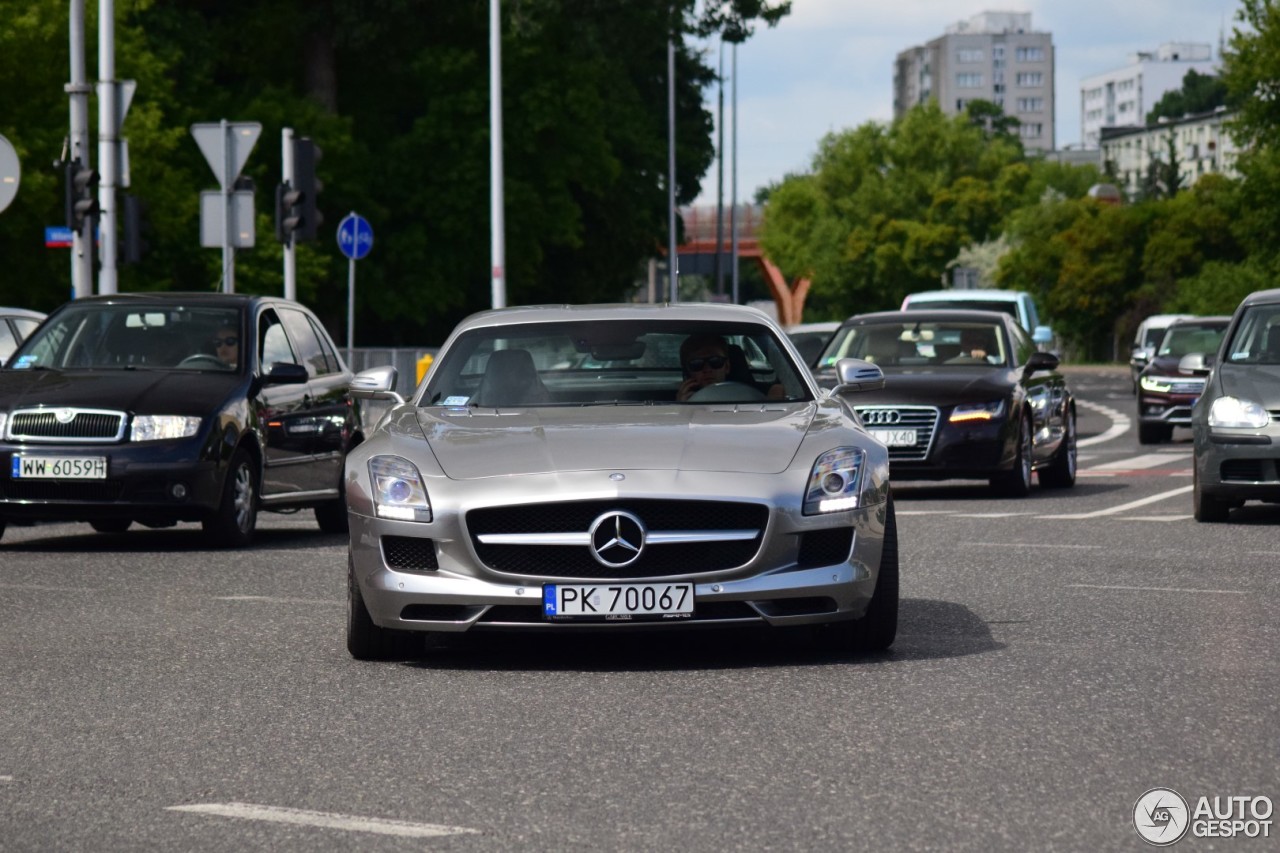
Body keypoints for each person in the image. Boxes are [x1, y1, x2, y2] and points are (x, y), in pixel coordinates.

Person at [677, 333, 732, 401]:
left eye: (715, 361)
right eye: (697, 363)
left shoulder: (745, 398)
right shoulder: (682, 403)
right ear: (688, 371)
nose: (707, 369)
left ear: (727, 366)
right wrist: (681, 407)